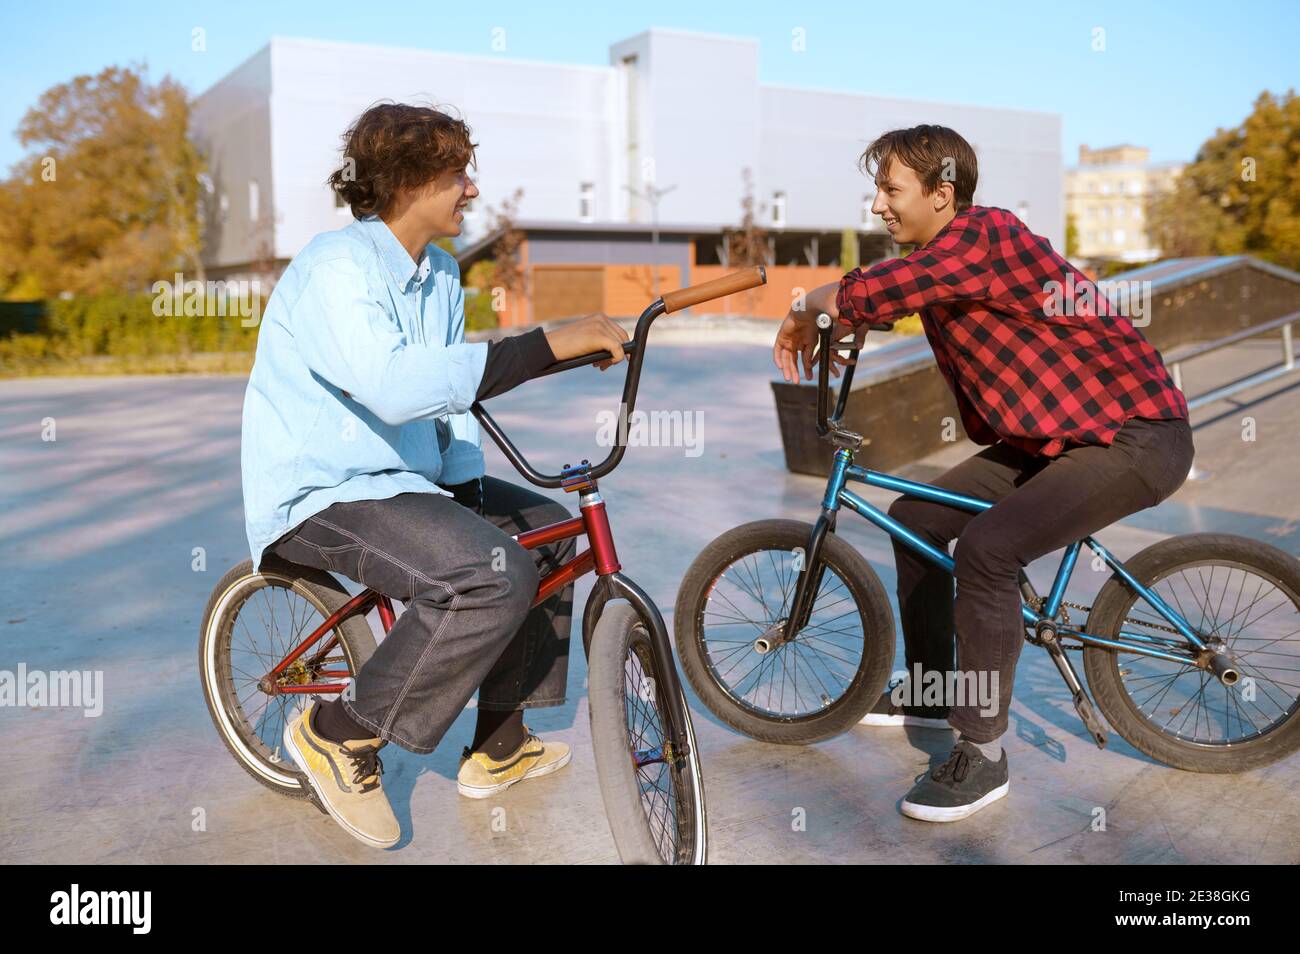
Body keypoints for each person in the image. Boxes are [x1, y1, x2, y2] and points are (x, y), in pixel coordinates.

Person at [773, 124, 1193, 823]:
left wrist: (809, 306)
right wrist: (843, 325)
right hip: (1052, 441)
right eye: (876, 188)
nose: (877, 204)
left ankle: (983, 752)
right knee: (918, 520)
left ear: (943, 194)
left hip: (1132, 437)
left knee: (989, 552)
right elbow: (898, 296)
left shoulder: (985, 235)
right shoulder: (947, 258)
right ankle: (936, 688)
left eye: (890, 188)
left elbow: (885, 289)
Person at [240, 103, 629, 848]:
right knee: (489, 575)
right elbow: (391, 384)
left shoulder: (440, 273)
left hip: (402, 481)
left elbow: (450, 402)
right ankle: (339, 732)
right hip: (326, 488)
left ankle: (500, 743)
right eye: (458, 175)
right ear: (409, 182)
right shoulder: (336, 268)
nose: (471, 191)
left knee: (542, 537)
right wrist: (544, 344)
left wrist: (468, 486)